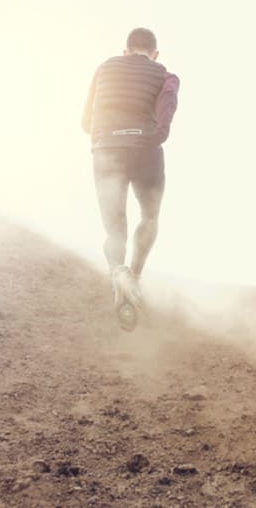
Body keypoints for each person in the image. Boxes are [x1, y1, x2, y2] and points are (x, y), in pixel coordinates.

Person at [82, 27, 180, 323]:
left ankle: (118, 272)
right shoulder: (165, 74)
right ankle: (135, 277)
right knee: (149, 217)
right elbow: (168, 106)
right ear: (155, 53)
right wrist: (154, 135)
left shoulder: (104, 69)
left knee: (114, 230)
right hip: (146, 149)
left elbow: (86, 120)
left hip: (107, 150)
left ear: (125, 51)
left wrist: (104, 136)